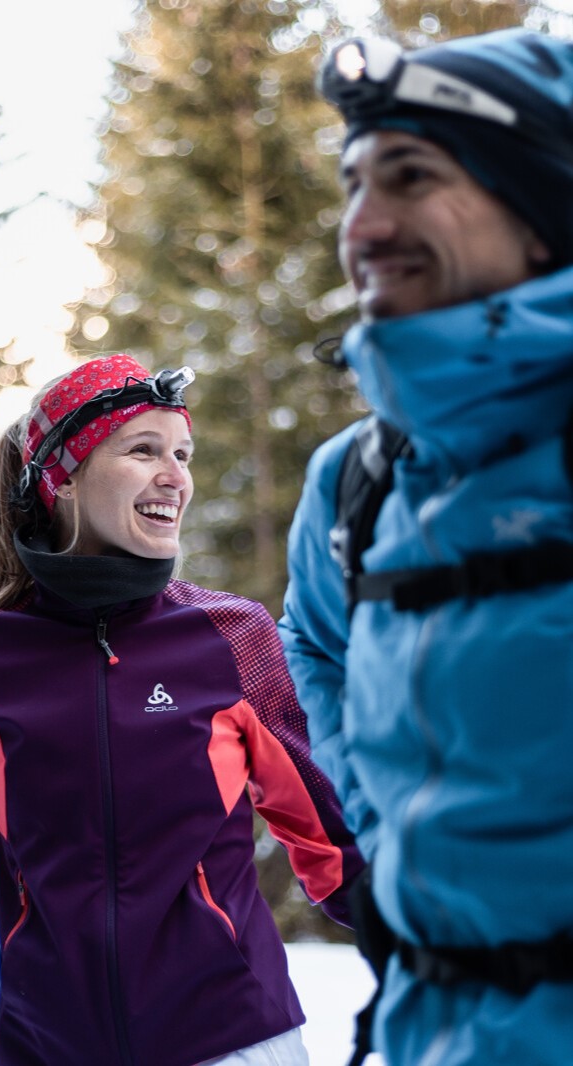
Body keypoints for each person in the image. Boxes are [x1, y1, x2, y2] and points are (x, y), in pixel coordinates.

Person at [0, 354, 362, 1066]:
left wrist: (421, 937)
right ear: (62, 479)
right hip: (47, 1045)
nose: (175, 476)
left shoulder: (232, 635)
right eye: (144, 450)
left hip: (232, 1038)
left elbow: (325, 838)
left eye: (182, 454)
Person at [279, 29, 573, 1066]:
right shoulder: (354, 485)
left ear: (538, 208)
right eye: (353, 184)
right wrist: (375, 828)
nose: (362, 225)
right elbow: (311, 644)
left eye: (408, 177)